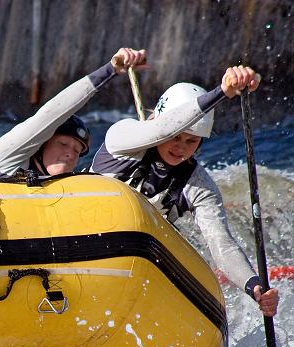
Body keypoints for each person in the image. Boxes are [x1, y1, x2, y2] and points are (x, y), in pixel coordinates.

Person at [90, 65, 278, 317]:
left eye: (192, 141)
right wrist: (223, 91)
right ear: (158, 120)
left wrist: (255, 286)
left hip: (133, 267)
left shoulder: (198, 184)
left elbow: (221, 245)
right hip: (86, 239)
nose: (180, 147)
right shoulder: (122, 137)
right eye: (176, 137)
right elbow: (161, 130)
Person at [0, 47, 146, 180]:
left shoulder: (67, 191)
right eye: (63, 144)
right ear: (41, 145)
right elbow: (54, 112)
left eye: (78, 151)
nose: (70, 154)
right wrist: (110, 70)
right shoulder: (5, 158)